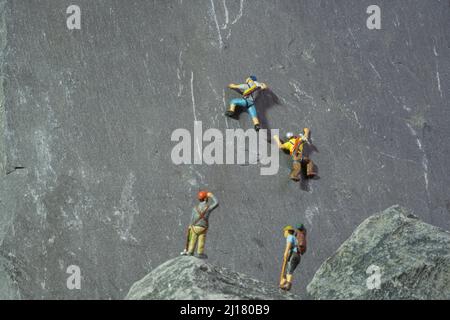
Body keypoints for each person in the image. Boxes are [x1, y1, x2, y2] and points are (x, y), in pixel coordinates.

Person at [181, 190, 219, 259]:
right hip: (203, 228)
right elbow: (216, 203)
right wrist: (211, 195)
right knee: (201, 240)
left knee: (192, 239)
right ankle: (200, 253)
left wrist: (190, 227)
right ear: (205, 199)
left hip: (194, 227)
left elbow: (192, 218)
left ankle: (190, 251)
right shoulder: (208, 208)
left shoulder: (195, 208)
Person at [279, 225, 301, 291]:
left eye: (284, 232)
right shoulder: (294, 238)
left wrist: (285, 253)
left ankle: (288, 285)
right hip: (297, 256)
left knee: (289, 270)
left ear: (288, 231)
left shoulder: (290, 237)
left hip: (293, 255)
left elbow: (289, 245)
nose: (284, 233)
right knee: (288, 270)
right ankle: (283, 283)